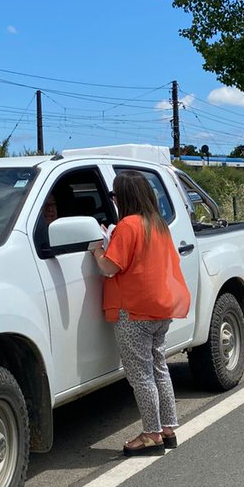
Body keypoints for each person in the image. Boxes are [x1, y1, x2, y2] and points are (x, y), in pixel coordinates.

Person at [90, 171, 191, 456]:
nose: (114, 199)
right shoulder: (157, 225)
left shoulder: (128, 226)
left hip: (133, 310)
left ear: (124, 197)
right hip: (160, 308)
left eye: (114, 194)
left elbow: (109, 267)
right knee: (159, 368)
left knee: (141, 375)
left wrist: (97, 250)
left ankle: (150, 435)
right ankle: (167, 429)